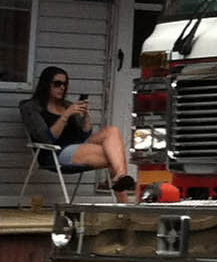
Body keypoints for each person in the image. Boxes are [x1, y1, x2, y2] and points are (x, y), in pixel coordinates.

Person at [20, 66, 134, 203]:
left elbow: (84, 134)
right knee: (113, 155)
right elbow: (46, 138)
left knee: (113, 131)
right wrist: (65, 115)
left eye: (65, 84)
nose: (62, 87)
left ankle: (121, 176)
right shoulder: (32, 107)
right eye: (57, 84)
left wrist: (85, 116)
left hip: (77, 147)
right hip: (54, 152)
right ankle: (124, 200)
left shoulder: (66, 104)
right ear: (46, 84)